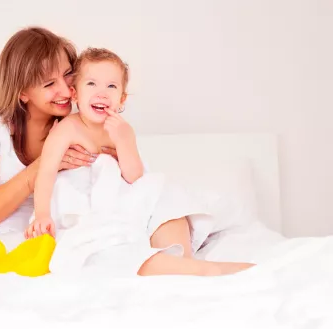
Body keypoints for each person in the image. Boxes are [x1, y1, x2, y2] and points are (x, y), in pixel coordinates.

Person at [0, 26, 252, 276]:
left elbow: (129, 177)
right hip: (37, 229)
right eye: (49, 83)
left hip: (101, 207)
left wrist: (121, 150)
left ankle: (182, 263)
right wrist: (45, 169)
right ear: (22, 91)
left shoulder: (83, 117)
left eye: (69, 76)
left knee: (162, 193)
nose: (65, 90)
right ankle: (171, 267)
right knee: (88, 247)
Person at [24, 47, 255, 276]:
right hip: (85, 204)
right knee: (105, 242)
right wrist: (43, 213)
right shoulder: (66, 130)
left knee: (164, 196)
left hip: (124, 199)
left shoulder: (122, 130)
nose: (102, 93)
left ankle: (182, 259)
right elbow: (46, 173)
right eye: (91, 84)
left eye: (111, 86)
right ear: (75, 94)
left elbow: (135, 177)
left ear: (122, 99)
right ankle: (185, 268)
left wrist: (124, 142)